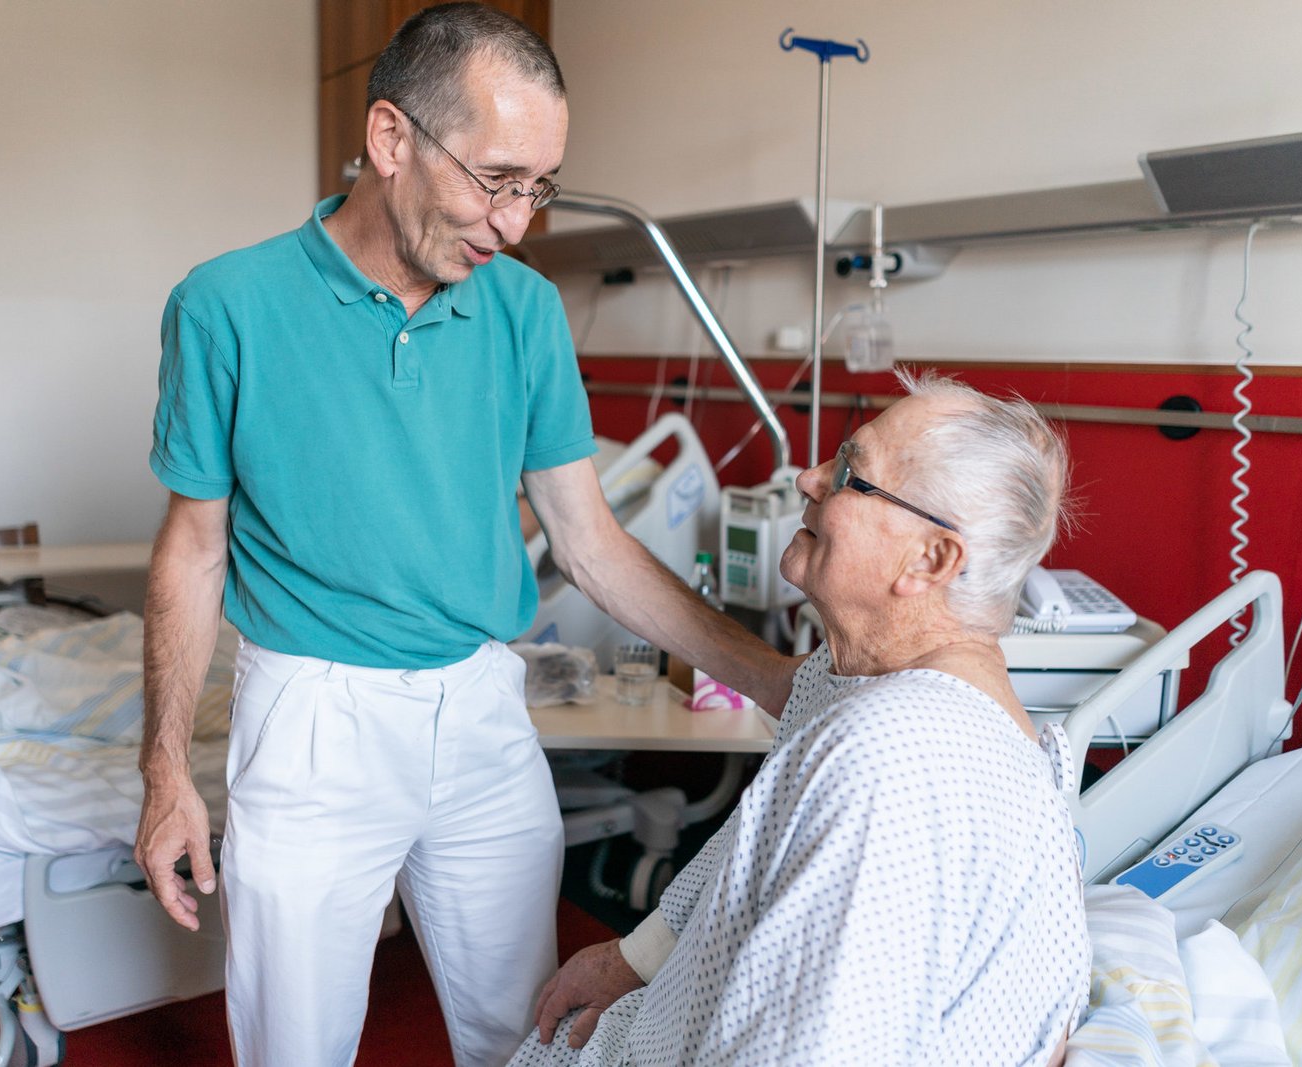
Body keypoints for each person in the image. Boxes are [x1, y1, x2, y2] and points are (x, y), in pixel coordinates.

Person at [132, 6, 796, 1066]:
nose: (517, 222)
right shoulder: (228, 304)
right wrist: (164, 767)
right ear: (390, 139)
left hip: (484, 707)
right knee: (293, 1045)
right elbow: (192, 547)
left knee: (526, 1033)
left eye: (540, 187)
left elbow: (589, 542)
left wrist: (776, 679)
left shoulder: (524, 312)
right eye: (495, 179)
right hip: (315, 714)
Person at [517, 370, 1091, 1066]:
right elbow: (756, 790)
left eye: (852, 473)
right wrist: (634, 957)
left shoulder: (890, 762)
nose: (811, 478)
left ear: (931, 557)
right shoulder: (867, 684)